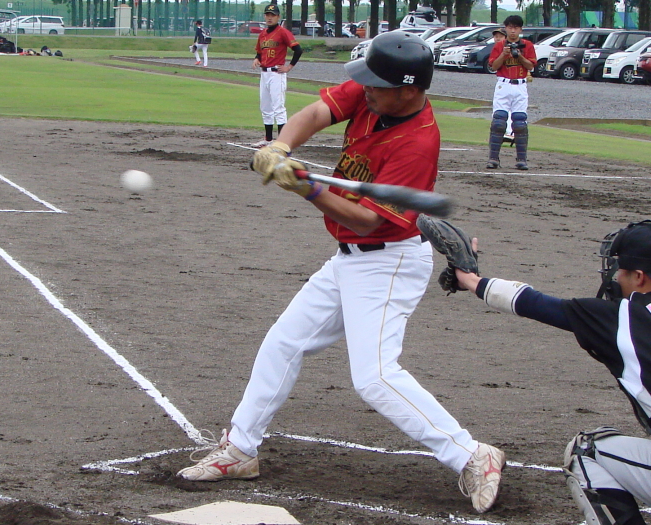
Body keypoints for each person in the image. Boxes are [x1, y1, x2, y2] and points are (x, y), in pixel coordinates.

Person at [177, 30, 506, 515]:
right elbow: (315, 113)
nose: (365, 89)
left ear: (408, 90)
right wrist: (282, 147)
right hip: (349, 260)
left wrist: (306, 189)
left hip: (388, 263)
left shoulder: (418, 143)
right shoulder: (376, 90)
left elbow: (367, 220)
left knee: (374, 377)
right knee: (284, 342)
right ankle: (241, 449)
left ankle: (472, 455)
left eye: (375, 85)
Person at [448, 219, 651, 525]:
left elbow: (534, 303)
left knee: (586, 451)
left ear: (639, 277)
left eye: (620, 269)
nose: (615, 276)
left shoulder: (623, 321)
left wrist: (470, 279)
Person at [250, 2, 303, 148]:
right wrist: (256, 59)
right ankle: (268, 139)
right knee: (265, 107)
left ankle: (282, 141)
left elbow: (298, 50)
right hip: (264, 74)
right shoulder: (262, 34)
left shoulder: (283, 32)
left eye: (272, 15)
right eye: (267, 15)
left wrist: (289, 67)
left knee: (278, 108)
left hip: (276, 74)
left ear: (278, 17)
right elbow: (260, 52)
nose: (269, 17)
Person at [486, 15, 535, 171]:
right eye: (510, 28)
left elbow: (531, 66)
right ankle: (493, 158)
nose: (513, 31)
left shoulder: (527, 45)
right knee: (499, 121)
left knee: (520, 122)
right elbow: (494, 66)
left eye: (516, 28)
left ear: (520, 29)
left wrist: (519, 55)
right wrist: (504, 54)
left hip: (520, 85)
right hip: (504, 84)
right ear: (505, 29)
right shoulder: (499, 45)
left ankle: (522, 159)